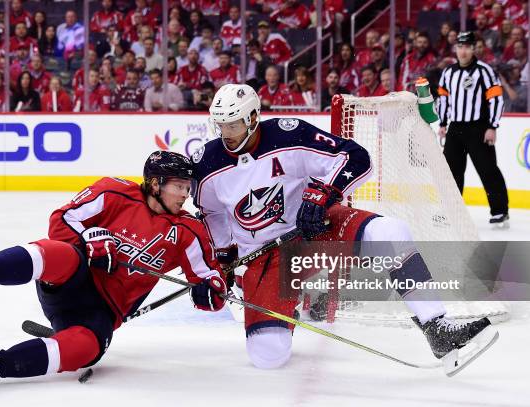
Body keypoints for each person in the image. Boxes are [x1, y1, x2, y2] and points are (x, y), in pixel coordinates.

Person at [192, 83, 498, 372]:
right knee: (268, 356)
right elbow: (211, 213)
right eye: (220, 126)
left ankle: (437, 326)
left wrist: (324, 193)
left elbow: (356, 156)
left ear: (253, 117)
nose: (226, 134)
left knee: (390, 233)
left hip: (311, 232)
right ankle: (287, 305)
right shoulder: (208, 162)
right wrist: (222, 256)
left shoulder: (288, 134)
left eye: (233, 125)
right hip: (265, 259)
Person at [0, 151, 226, 388]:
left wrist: (209, 292)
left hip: (101, 313)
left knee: (87, 350)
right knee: (63, 254)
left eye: (188, 187)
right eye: (178, 186)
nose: (185, 194)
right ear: (155, 183)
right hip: (74, 279)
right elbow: (61, 219)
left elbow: (210, 279)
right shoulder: (115, 192)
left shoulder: (188, 230)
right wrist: (86, 241)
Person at [437, 32, 509, 225]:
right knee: (451, 173)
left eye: (467, 47)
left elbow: (496, 99)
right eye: (460, 47)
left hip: (478, 128)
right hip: (455, 129)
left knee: (487, 169)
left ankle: (500, 211)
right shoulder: (448, 72)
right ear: (455, 49)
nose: (463, 51)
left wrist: (492, 126)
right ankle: (451, 212)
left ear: (473, 48)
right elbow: (443, 99)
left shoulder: (484, 71)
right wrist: (443, 123)